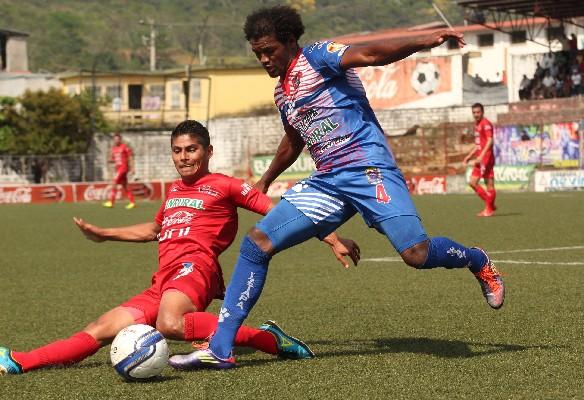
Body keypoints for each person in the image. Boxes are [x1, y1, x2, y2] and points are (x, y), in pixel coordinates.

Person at [169, 5, 505, 370]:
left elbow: (371, 54)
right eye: (258, 54)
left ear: (291, 41)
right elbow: (294, 139)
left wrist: (425, 41)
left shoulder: (317, 57)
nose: (264, 59)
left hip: (368, 168)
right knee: (256, 245)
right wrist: (265, 179)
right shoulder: (282, 93)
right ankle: (220, 347)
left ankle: (478, 260)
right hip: (328, 181)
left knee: (416, 254)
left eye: (269, 51)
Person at [0, 120, 360, 375]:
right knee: (100, 329)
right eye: (177, 151)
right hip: (163, 279)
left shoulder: (226, 185)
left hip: (196, 270)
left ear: (207, 151)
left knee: (169, 323)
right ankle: (19, 361)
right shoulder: (173, 192)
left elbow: (284, 214)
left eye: (191, 149)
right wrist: (105, 234)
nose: (184, 157)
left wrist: (332, 237)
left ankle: (267, 340)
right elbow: (154, 229)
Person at [463, 103, 496, 217]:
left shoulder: (486, 124)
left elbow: (490, 141)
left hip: (486, 158)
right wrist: (469, 156)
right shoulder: (477, 125)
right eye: (474, 112)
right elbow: (478, 144)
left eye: (478, 112)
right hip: (479, 158)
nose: (476, 114)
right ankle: (490, 203)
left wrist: (481, 156)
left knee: (489, 184)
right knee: (472, 182)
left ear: (482, 112)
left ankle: (489, 209)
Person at [103, 132, 136, 209]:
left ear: (120, 140)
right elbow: (113, 159)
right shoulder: (114, 149)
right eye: (115, 139)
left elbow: (130, 157)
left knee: (114, 182)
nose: (116, 141)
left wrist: (133, 167)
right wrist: (110, 160)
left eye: (117, 139)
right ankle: (132, 202)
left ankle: (111, 202)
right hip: (118, 169)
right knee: (125, 186)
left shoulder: (124, 147)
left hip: (123, 168)